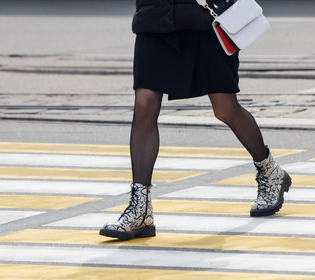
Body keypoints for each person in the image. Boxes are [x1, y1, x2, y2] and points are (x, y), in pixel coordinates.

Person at [99, 0, 292, 240]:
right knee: (144, 103)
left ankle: (271, 172)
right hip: (155, 17)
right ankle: (140, 210)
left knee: (225, 108)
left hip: (206, 18)